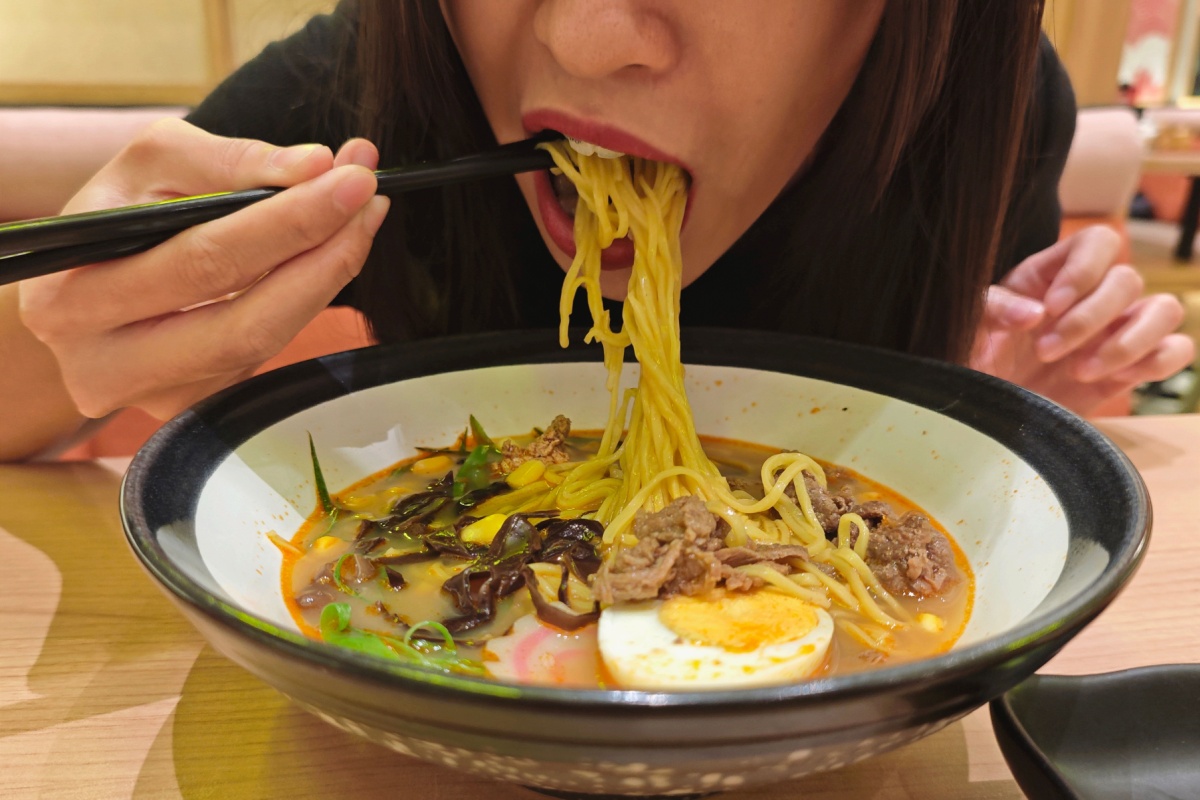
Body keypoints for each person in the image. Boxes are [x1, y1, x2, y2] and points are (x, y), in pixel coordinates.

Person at [0, 0, 1193, 461]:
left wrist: (1027, 386)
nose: (583, 38)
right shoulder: (375, 92)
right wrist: (67, 338)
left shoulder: (972, 110)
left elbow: (976, 441)